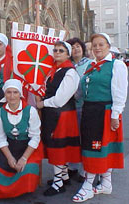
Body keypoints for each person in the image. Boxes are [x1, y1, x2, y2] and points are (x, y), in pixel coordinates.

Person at [72, 33, 128, 202]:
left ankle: (88, 186)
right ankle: (106, 183)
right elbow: (80, 91)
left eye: (100, 44)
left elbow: (120, 91)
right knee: (97, 147)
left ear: (108, 46)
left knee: (96, 149)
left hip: (104, 112)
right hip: (90, 111)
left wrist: (116, 114)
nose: (97, 48)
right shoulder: (92, 67)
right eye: (94, 45)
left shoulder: (116, 65)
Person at [37, 41, 81, 196]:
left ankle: (58, 183)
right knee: (58, 145)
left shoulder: (70, 72)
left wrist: (43, 103)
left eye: (61, 50)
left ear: (68, 54)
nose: (56, 53)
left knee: (58, 147)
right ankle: (64, 176)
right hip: (54, 113)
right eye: (55, 50)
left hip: (61, 113)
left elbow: (60, 99)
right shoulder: (55, 70)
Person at [0, 79, 43, 198]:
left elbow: (35, 138)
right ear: (5, 94)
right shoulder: (0, 112)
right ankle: (6, 192)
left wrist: (24, 158)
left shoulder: (31, 111)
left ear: (20, 94)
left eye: (15, 92)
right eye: (9, 92)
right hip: (9, 146)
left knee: (28, 169)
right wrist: (9, 157)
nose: (12, 96)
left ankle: (21, 191)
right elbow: (1, 138)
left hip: (28, 147)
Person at [66, 37, 91, 182]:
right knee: (72, 138)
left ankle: (84, 169)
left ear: (82, 49)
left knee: (83, 138)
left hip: (82, 106)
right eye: (72, 47)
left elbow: (87, 84)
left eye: (77, 46)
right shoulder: (67, 64)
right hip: (68, 108)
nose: (75, 49)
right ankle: (72, 166)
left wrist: (74, 94)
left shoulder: (89, 64)